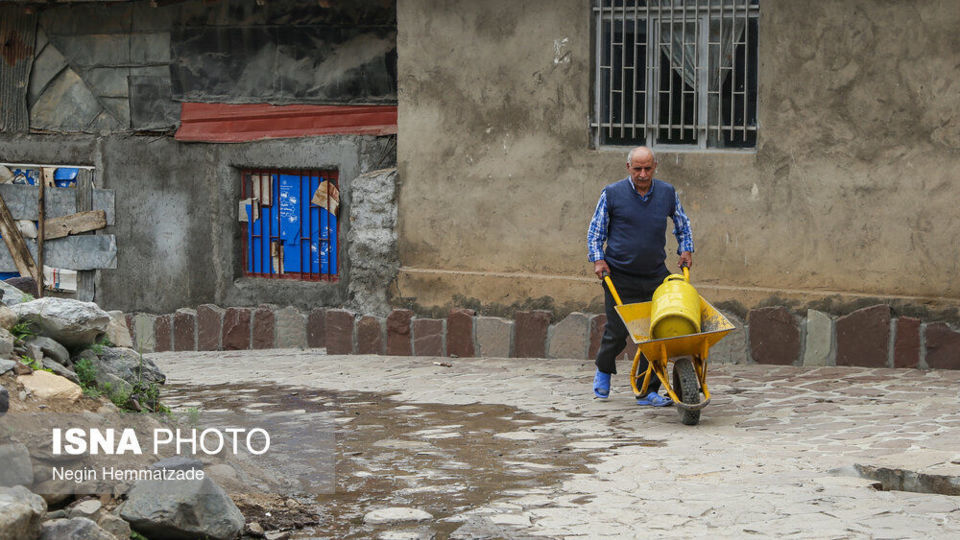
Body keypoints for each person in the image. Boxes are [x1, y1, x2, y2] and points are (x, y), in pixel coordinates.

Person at [587, 146, 694, 406]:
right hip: (619, 276)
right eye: (637, 169)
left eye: (648, 168)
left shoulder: (667, 192)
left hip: (655, 275)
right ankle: (603, 370)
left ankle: (647, 389)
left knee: (655, 334)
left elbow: (682, 223)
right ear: (628, 168)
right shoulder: (612, 194)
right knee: (616, 331)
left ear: (655, 166)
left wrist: (686, 248)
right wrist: (598, 259)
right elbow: (595, 232)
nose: (643, 174)